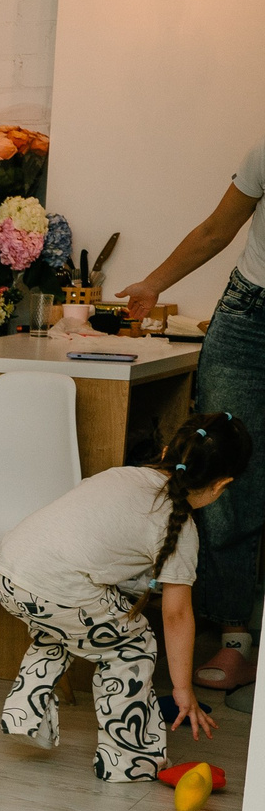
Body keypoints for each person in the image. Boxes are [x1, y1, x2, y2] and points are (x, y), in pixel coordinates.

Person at [0, 413, 250, 782]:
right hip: (54, 590)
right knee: (135, 644)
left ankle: (25, 711)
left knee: (79, 627)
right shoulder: (181, 529)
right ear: (221, 485)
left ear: (167, 450)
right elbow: (176, 616)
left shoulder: (121, 474)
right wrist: (182, 689)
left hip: (7, 573)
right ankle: (128, 760)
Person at [115, 138, 265, 691]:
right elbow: (214, 231)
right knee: (224, 469)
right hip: (250, 315)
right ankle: (234, 637)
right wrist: (153, 285)